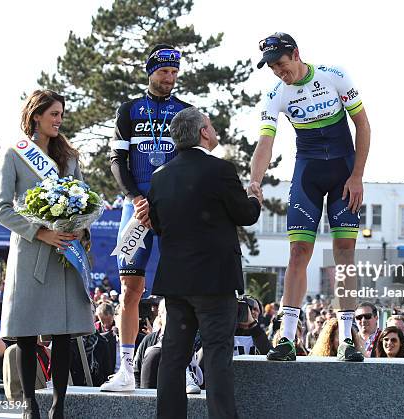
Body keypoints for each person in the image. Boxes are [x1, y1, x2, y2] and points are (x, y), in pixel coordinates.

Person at [250, 32, 371, 362]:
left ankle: (347, 337)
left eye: (281, 63)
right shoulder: (276, 94)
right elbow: (265, 143)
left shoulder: (334, 76)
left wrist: (357, 175)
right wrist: (254, 181)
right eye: (272, 67)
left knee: (344, 252)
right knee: (298, 251)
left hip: (344, 171)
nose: (278, 71)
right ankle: (287, 336)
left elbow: (363, 125)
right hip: (308, 173)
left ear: (297, 54)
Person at [147, 107, 262, 419]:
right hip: (215, 282)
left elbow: (158, 225)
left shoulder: (159, 177)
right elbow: (246, 215)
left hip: (176, 282)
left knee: (173, 355)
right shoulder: (220, 170)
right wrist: (255, 198)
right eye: (210, 125)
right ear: (203, 132)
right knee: (216, 356)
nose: (213, 130)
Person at [0, 89, 95, 417]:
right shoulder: (13, 154)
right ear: (36, 115)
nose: (59, 120)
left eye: (61, 114)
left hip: (63, 253)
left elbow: (85, 199)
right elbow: (1, 209)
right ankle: (30, 404)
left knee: (64, 331)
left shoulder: (70, 157)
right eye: (53, 114)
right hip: (31, 252)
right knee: (26, 331)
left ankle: (58, 405)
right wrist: (41, 231)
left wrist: (81, 228)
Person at [103, 44, 192, 392]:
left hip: (172, 209)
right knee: (130, 288)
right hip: (136, 206)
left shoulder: (186, 112)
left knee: (179, 290)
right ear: (150, 71)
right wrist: (135, 198)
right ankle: (125, 369)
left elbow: (192, 161)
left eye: (174, 72)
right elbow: (116, 161)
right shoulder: (129, 110)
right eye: (163, 71)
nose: (169, 78)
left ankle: (181, 368)